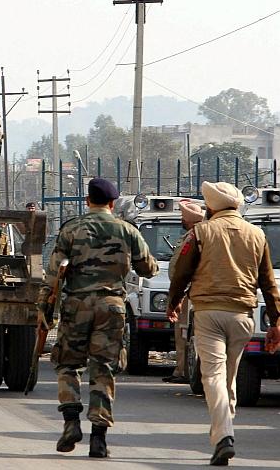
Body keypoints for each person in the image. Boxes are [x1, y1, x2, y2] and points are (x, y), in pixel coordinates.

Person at [167, 181, 280, 466]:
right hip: (243, 316)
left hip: (208, 313)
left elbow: (181, 272)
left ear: (211, 206)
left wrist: (174, 301)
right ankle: (222, 434)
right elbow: (268, 282)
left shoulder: (200, 232)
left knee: (213, 376)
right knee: (228, 379)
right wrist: (276, 322)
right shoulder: (257, 234)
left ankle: (224, 436)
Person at [46, 177, 159, 458]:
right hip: (112, 307)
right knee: (104, 369)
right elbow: (148, 269)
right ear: (112, 203)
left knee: (68, 366)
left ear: (88, 201)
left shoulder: (71, 228)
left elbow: (53, 274)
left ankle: (71, 421)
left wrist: (44, 310)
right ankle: (99, 439)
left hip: (76, 304)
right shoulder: (127, 230)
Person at [163, 199, 205, 384]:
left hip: (189, 293)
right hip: (188, 292)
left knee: (183, 333)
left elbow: (185, 268)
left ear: (189, 219)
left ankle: (183, 371)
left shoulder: (194, 237)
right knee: (182, 333)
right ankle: (181, 369)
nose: (181, 219)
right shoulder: (193, 235)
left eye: (183, 216)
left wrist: (178, 295)